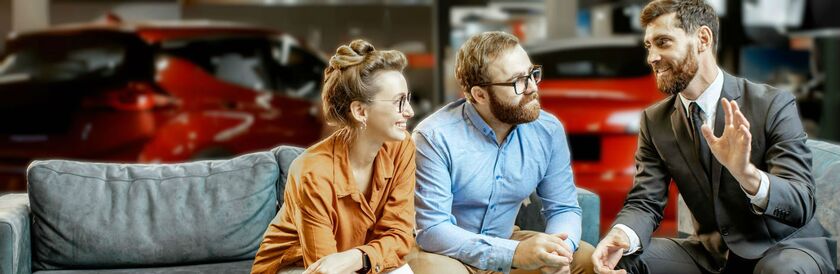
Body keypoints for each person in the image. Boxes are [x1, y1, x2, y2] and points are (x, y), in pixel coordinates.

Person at [591, 1, 837, 273]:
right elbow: (645, 201)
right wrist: (622, 235)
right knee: (623, 259)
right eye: (649, 46)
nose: (652, 57)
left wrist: (746, 174)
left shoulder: (772, 105)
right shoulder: (655, 121)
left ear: (703, 39)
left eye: (663, 42)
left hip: (784, 247)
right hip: (713, 256)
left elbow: (800, 202)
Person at [406, 31, 595, 274]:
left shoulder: (547, 130)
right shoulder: (434, 136)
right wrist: (513, 254)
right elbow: (433, 230)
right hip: (443, 252)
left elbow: (563, 208)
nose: (531, 88)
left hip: (507, 239)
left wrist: (559, 251)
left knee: (587, 259)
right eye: (518, 81)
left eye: (532, 74)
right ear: (479, 95)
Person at [252, 39, 416, 274]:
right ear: (360, 111)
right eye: (399, 102)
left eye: (408, 99)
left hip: (356, 256)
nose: (409, 112)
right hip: (297, 264)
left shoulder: (402, 147)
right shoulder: (312, 171)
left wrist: (358, 257)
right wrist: (361, 257)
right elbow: (324, 267)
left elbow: (399, 236)